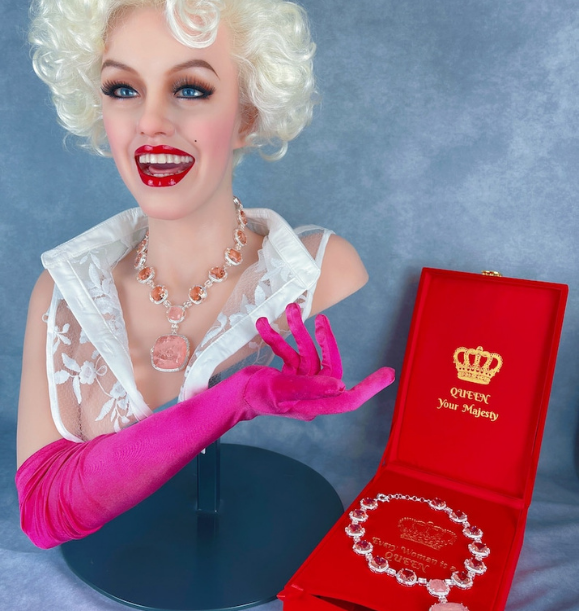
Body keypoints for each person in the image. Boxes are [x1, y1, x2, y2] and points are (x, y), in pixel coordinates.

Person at [16, 0, 394, 550]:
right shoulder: (62, 294)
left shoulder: (322, 270)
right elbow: (44, 511)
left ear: (247, 116)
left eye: (190, 89)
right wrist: (235, 398)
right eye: (123, 89)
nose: (150, 122)